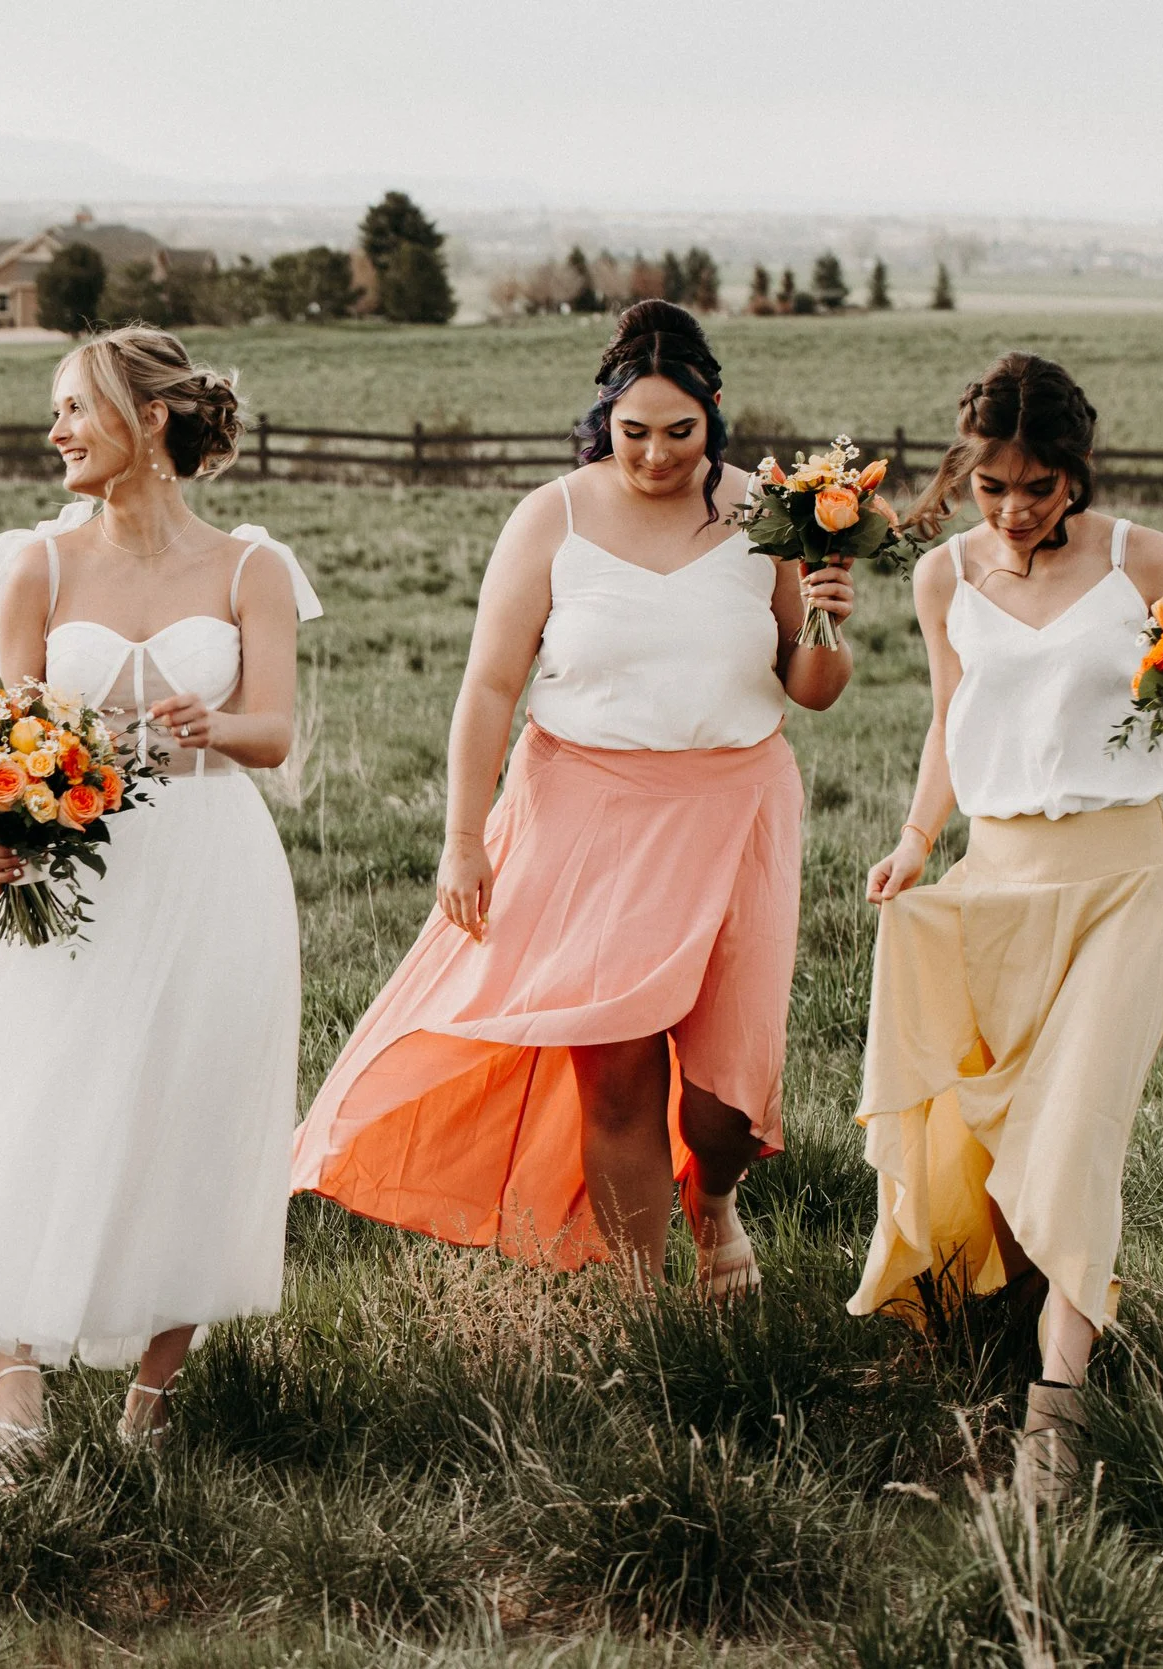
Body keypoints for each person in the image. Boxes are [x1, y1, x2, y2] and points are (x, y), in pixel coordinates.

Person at [291, 300, 853, 1293]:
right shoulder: (551, 515)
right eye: (633, 432)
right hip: (587, 815)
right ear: (606, 419)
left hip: (738, 809)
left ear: (713, 414)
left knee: (725, 1099)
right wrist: (463, 837)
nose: (654, 455)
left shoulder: (767, 512)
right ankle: (648, 1310)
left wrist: (829, 625)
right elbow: (489, 687)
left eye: (679, 432)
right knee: (619, 1076)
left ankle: (712, 1197)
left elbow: (807, 690)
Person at [0, 327, 322, 1484]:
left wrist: (219, 729)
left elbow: (274, 729)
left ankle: (148, 1406)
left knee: (194, 1109)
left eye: (73, 407)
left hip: (214, 862)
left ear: (148, 418)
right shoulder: (35, 568)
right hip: (72, 869)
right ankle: (18, 1379)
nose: (55, 429)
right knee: (44, 1100)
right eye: (53, 410)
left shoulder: (251, 565)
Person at [848, 351, 1163, 1496]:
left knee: (1076, 1130)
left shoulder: (1141, 560)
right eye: (992, 487)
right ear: (967, 475)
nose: (1016, 510)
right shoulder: (942, 577)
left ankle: (1054, 1413)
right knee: (989, 1130)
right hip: (994, 881)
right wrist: (914, 842)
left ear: (1074, 472)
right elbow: (947, 724)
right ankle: (976, 1322)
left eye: (1039, 485)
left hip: (1124, 882)